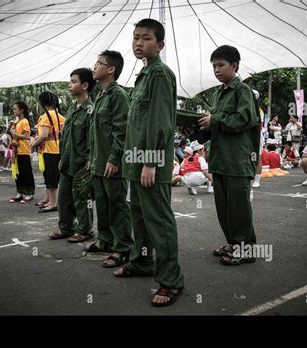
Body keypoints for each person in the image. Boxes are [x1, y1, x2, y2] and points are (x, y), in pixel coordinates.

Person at [115, 18, 184, 307]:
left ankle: (171, 281)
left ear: (160, 44)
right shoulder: (144, 75)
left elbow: (160, 122)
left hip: (149, 162)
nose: (139, 43)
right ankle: (142, 263)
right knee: (139, 217)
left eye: (145, 38)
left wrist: (150, 161)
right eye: (135, 38)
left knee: (158, 219)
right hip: (136, 162)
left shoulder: (159, 74)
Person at [198, 44, 260, 266]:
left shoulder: (242, 91)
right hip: (220, 159)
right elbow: (220, 124)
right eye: (214, 66)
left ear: (234, 66)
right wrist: (205, 128)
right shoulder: (218, 93)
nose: (216, 70)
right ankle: (234, 243)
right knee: (224, 207)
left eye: (221, 65)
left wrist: (215, 120)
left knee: (239, 207)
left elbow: (245, 120)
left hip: (237, 160)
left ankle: (247, 248)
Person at [82, 50, 135, 269]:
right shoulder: (100, 96)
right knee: (102, 204)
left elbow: (121, 131)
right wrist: (92, 159)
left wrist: (114, 159)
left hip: (113, 163)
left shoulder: (118, 95)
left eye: (99, 63)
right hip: (98, 163)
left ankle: (122, 247)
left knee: (118, 206)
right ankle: (105, 240)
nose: (94, 67)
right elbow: (96, 134)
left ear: (111, 69)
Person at [49, 68, 96, 242]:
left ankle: (84, 230)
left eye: (74, 82)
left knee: (82, 198)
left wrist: (90, 161)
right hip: (68, 161)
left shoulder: (91, 110)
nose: (70, 85)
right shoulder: (71, 109)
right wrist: (62, 157)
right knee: (64, 197)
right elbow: (65, 137)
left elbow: (93, 139)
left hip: (82, 163)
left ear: (85, 85)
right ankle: (66, 228)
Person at [30, 92, 65, 213]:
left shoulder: (46, 116)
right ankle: (51, 201)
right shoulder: (59, 116)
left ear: (41, 103)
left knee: (50, 177)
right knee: (53, 176)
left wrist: (33, 145)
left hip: (49, 150)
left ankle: (53, 203)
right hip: (58, 149)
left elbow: (44, 135)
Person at [7, 102, 35, 203]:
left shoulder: (24, 121)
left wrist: (14, 133)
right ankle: (20, 192)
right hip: (16, 151)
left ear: (21, 110)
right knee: (17, 173)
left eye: (15, 109)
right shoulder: (16, 122)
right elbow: (9, 133)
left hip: (23, 150)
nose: (13, 110)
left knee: (25, 172)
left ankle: (29, 193)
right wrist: (10, 128)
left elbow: (27, 137)